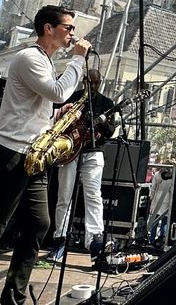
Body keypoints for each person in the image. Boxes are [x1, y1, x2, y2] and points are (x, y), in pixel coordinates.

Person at [0, 5, 88, 305]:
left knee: (39, 224)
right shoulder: (29, 57)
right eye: (68, 27)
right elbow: (58, 92)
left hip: (34, 156)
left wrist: (54, 117)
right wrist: (78, 59)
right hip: (11, 154)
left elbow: (43, 102)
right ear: (48, 29)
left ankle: (14, 297)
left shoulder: (47, 62)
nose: (73, 34)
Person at [47, 72, 115, 263]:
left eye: (96, 83)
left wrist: (101, 127)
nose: (93, 86)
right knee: (64, 196)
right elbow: (58, 123)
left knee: (93, 195)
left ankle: (94, 241)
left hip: (93, 151)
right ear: (84, 82)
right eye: (90, 82)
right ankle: (60, 239)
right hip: (69, 152)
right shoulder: (72, 98)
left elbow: (111, 131)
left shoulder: (106, 103)